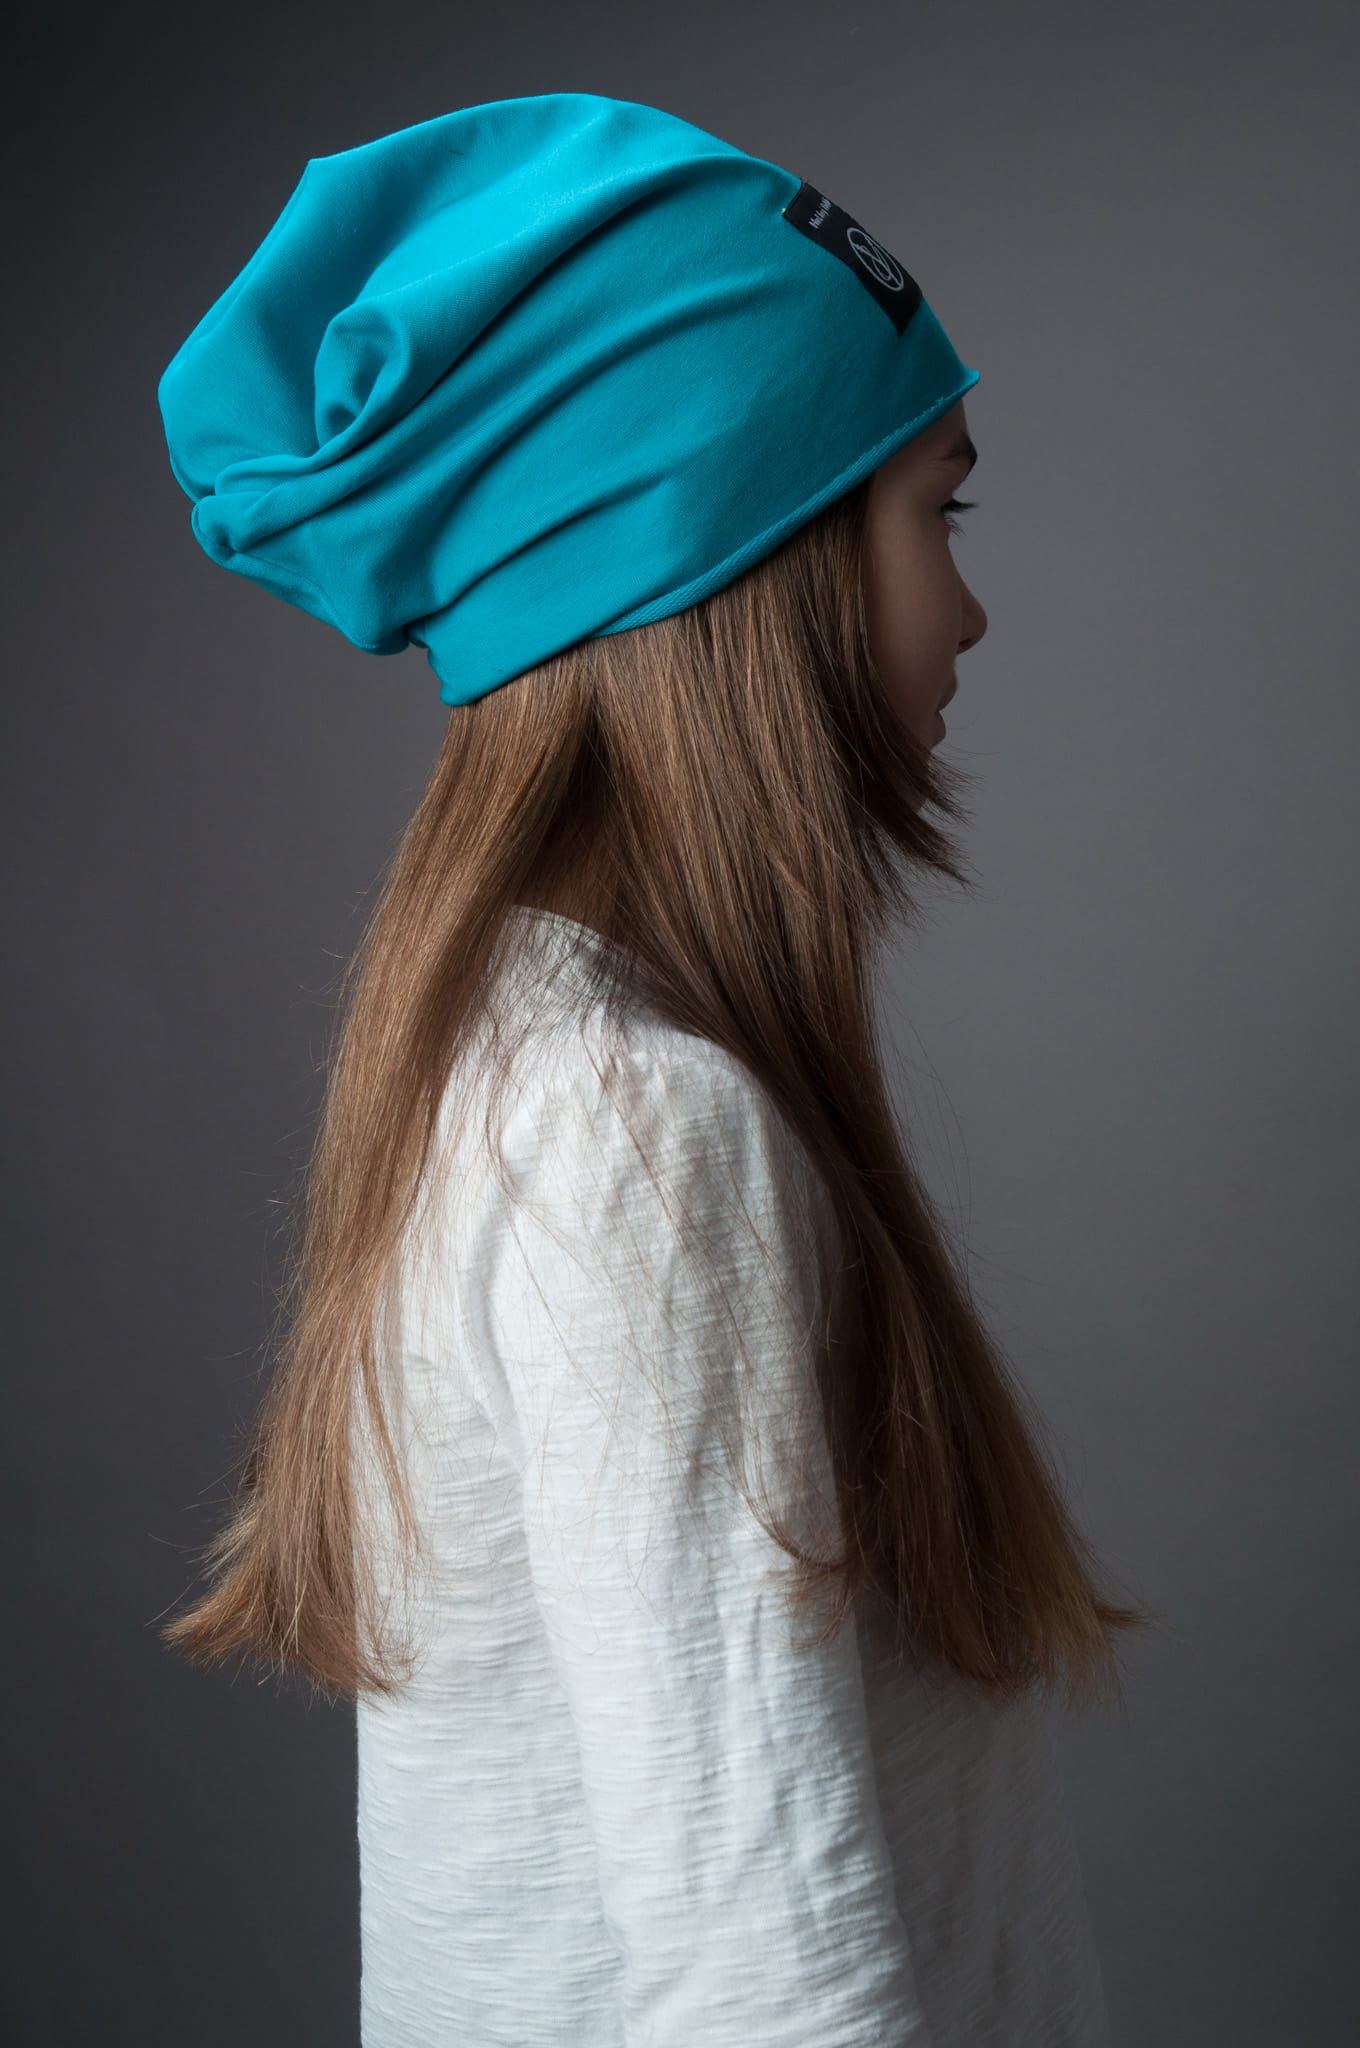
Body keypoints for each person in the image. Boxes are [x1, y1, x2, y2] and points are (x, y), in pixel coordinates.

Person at [156, 92, 1157, 2047]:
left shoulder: (523, 1069)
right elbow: (755, 1969)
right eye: (933, 511)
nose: (967, 608)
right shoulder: (629, 1130)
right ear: (744, 562)